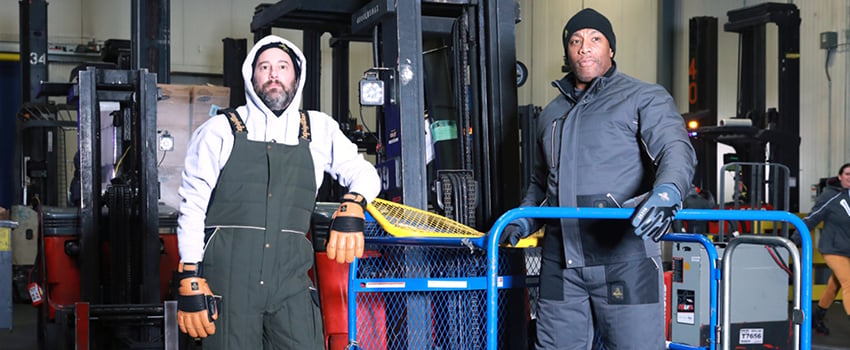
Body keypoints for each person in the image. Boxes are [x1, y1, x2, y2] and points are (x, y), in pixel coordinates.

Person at [499, 8, 696, 349]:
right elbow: (541, 183)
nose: (584, 47)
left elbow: (675, 149)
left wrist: (668, 192)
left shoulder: (642, 97)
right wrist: (522, 221)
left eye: (595, 39)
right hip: (561, 264)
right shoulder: (551, 114)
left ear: (611, 50)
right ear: (568, 52)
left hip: (624, 258)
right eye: (575, 41)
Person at [175, 34, 381, 349]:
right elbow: (192, 205)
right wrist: (189, 272)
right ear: (251, 74)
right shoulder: (220, 129)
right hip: (230, 284)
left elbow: (364, 172)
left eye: (283, 66)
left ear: (297, 76)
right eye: (264, 67)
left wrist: (353, 205)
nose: (273, 74)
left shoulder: (319, 130)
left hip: (291, 283)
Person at [803, 163, 850, 336]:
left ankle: (818, 317)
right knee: (849, 283)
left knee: (834, 285)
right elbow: (813, 217)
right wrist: (794, 239)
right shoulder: (831, 196)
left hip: (848, 249)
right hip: (833, 248)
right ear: (840, 176)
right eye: (847, 174)